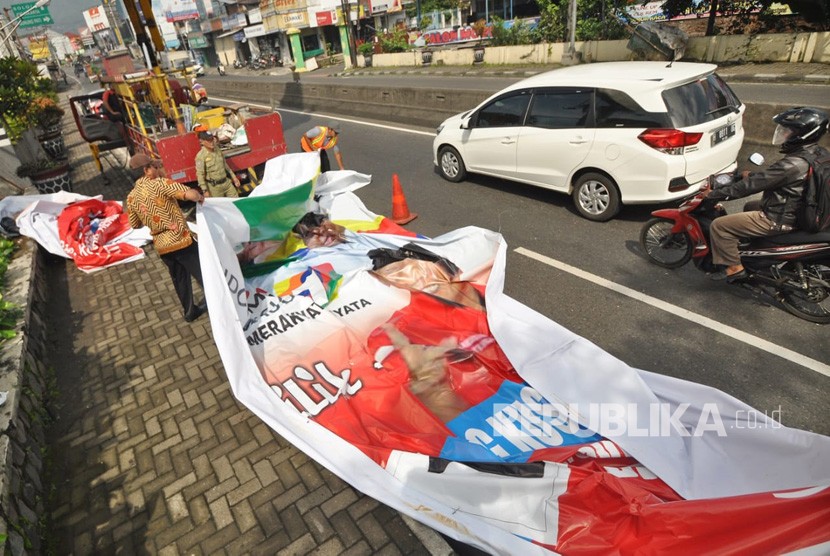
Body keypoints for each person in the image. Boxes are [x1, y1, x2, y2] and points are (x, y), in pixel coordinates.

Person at [704, 107, 829, 283]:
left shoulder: (793, 163)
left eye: (787, 131)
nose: (783, 134)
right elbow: (775, 178)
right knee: (749, 206)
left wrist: (714, 194)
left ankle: (734, 268)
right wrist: (754, 175)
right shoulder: (819, 153)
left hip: (780, 219)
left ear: (803, 135)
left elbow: (750, 186)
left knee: (719, 226)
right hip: (804, 210)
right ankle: (755, 255)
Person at [126, 153, 208, 323]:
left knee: (179, 278)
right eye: (153, 167)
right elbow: (190, 195)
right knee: (203, 273)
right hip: (180, 240)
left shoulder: (132, 197)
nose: (157, 169)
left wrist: (152, 216)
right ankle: (219, 304)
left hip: (162, 246)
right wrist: (200, 197)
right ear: (146, 170)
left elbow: (134, 224)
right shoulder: (160, 184)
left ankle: (189, 311)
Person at [195, 130, 240, 198]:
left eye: (212, 139)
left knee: (237, 202)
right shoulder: (201, 156)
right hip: (214, 188)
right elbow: (200, 174)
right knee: (220, 207)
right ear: (202, 141)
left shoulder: (217, 149)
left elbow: (224, 164)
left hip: (226, 183)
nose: (212, 143)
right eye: (208, 141)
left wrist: (234, 177)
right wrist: (205, 190)